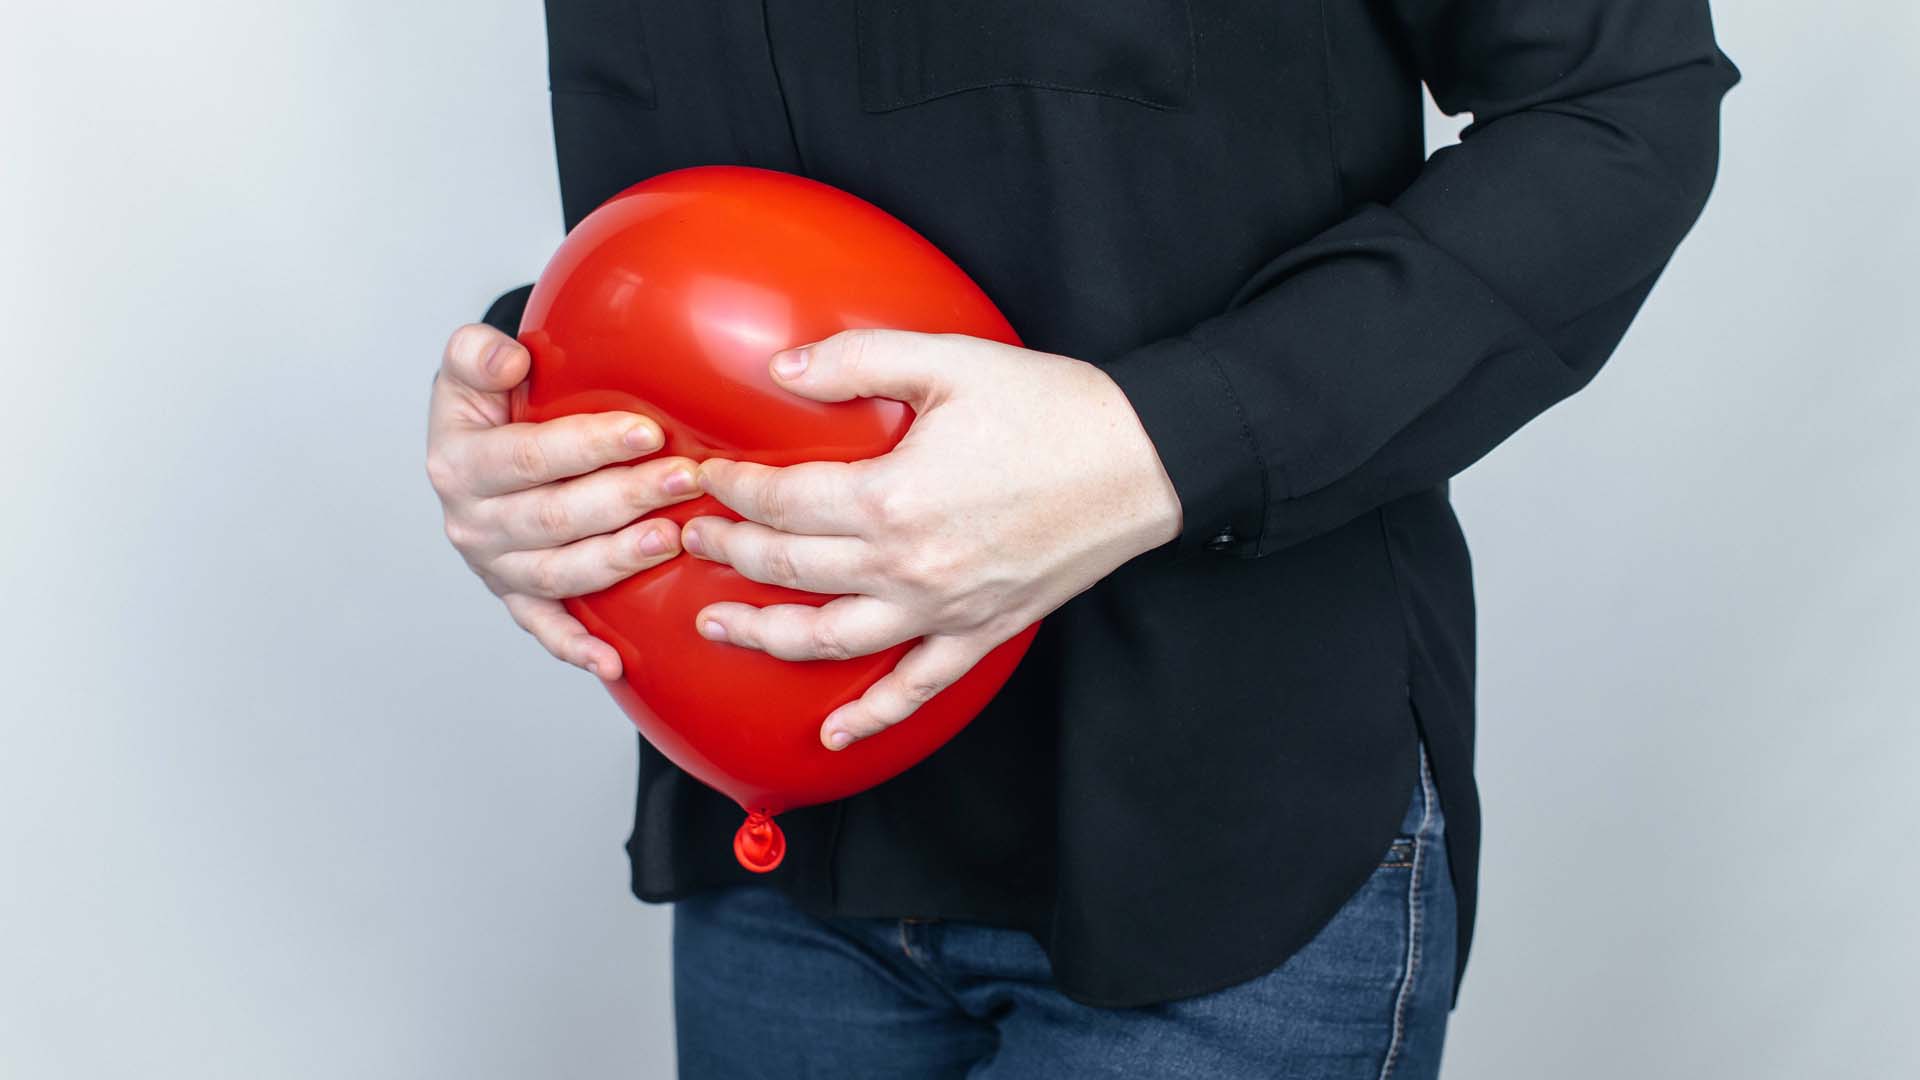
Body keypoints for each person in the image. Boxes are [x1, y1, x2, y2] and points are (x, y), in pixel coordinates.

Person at [426, 2, 1737, 1076]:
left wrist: (1161, 442)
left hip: (1220, 849)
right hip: (774, 869)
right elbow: (727, 211)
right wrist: (531, 406)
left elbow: (1621, 104)